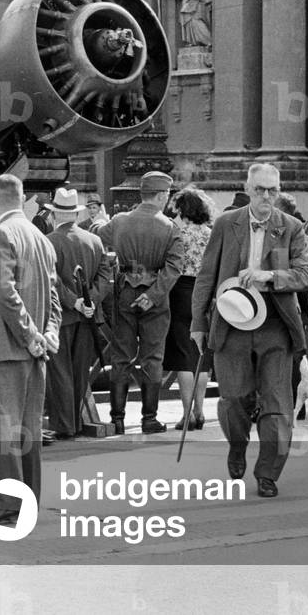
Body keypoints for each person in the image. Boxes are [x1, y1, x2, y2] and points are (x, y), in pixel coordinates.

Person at [190, 163, 308, 498]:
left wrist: (271, 276)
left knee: (277, 405)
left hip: (276, 326)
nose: (266, 197)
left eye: (272, 190)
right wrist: (198, 324)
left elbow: (307, 274)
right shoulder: (225, 224)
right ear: (247, 188)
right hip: (232, 325)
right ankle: (237, 446)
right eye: (259, 190)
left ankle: (268, 473)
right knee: (233, 400)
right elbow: (206, 276)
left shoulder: (291, 228)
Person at [0, 174, 60, 528]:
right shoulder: (40, 238)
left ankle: (5, 507)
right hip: (32, 353)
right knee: (26, 431)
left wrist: (31, 333)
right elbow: (53, 296)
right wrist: (48, 334)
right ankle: (26, 502)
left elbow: (5, 293)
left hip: (0, 347)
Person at [97, 171, 184, 435]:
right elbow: (174, 268)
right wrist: (154, 295)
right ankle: (149, 419)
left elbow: (97, 237)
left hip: (124, 291)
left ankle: (118, 419)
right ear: (162, 195)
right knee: (152, 358)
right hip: (154, 297)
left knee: (121, 356)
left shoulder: (119, 221)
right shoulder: (170, 227)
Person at [45, 187, 112, 438]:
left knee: (60, 371)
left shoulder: (49, 241)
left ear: (55, 214)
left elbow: (52, 280)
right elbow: (106, 276)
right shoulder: (94, 240)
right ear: (75, 213)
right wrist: (90, 301)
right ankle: (73, 421)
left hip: (62, 316)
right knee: (79, 370)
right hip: (88, 316)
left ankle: (65, 425)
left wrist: (75, 302)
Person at [161, 187, 214, 431]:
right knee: (201, 354)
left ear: (183, 209)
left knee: (183, 355)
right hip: (205, 292)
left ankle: (187, 414)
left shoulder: (176, 231)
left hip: (180, 291)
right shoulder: (210, 234)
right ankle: (201, 410)